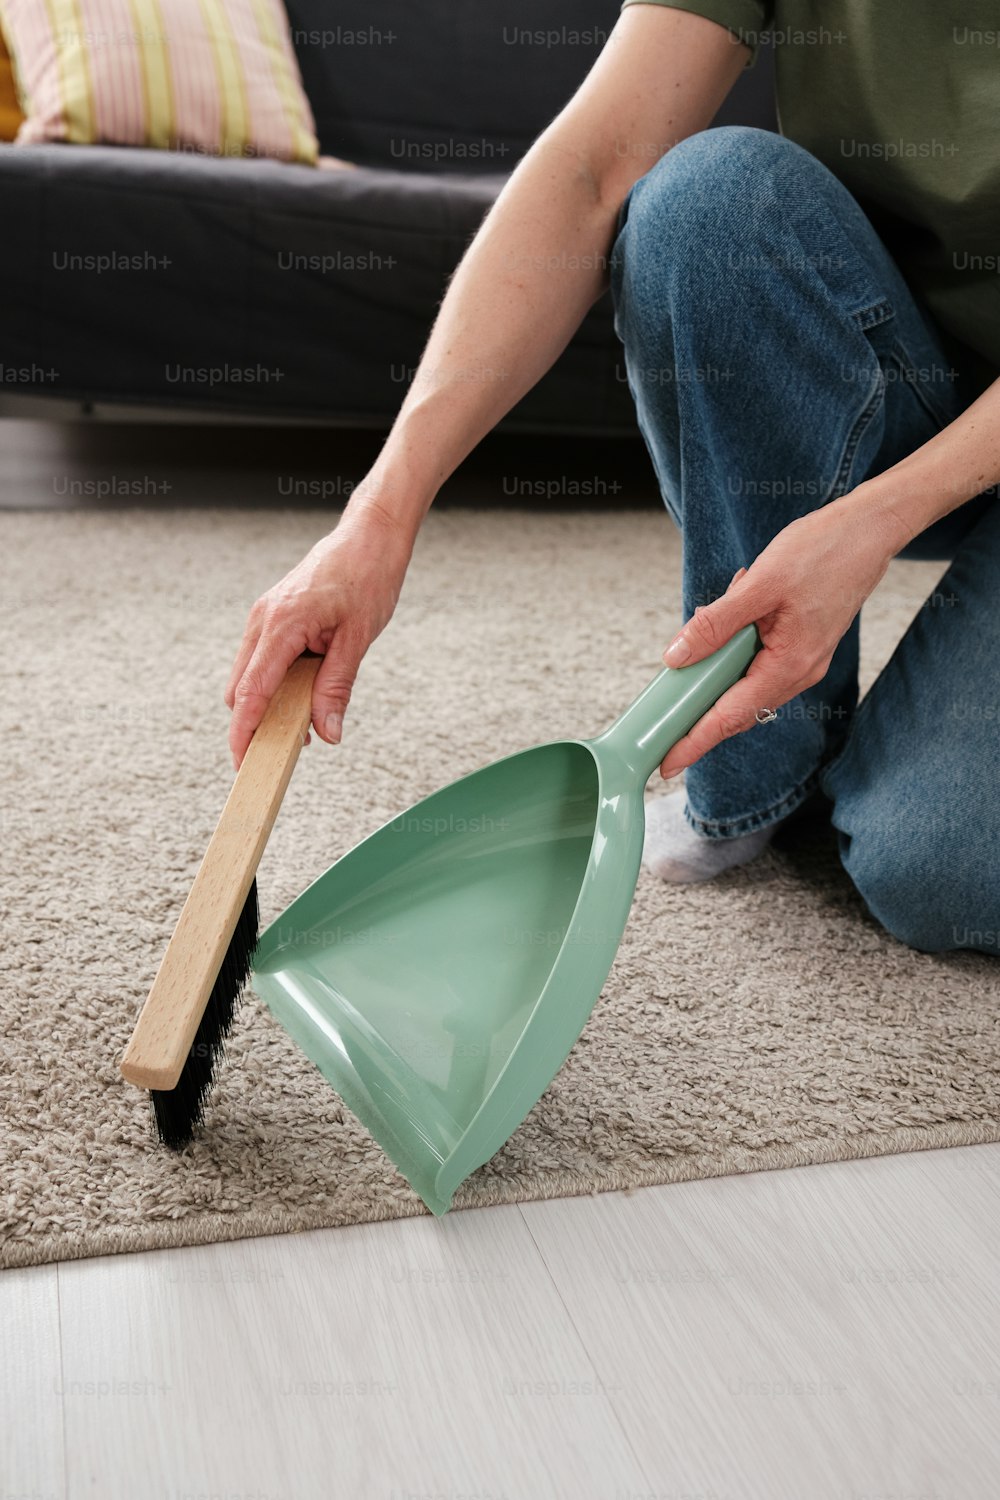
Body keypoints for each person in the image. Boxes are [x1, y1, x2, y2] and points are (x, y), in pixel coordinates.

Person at [226, 3, 1000, 955]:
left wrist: (877, 518)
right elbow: (596, 164)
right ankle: (759, 767)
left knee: (939, 874)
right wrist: (380, 512)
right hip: (914, 371)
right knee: (708, 200)